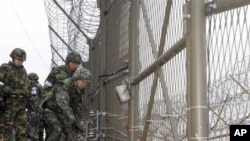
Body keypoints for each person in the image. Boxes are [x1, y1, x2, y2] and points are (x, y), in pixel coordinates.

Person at [39, 51, 82, 140]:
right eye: (73, 63)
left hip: (66, 110)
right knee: (55, 131)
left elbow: (77, 96)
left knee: (66, 134)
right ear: (68, 61)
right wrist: (44, 102)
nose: (75, 65)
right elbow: (47, 87)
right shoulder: (57, 71)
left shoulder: (78, 75)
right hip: (52, 108)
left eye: (77, 64)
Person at [0, 48, 30, 141]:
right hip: (9, 103)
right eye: (19, 60)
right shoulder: (5, 68)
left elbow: (27, 86)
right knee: (6, 129)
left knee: (22, 130)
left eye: (22, 60)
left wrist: (28, 100)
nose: (21, 62)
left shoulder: (23, 71)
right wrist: (0, 100)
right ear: (13, 58)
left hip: (21, 103)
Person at [26, 73, 43, 141]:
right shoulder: (39, 86)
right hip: (37, 110)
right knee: (38, 130)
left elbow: (34, 99)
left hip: (33, 110)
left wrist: (34, 110)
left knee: (33, 130)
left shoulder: (34, 87)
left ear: (32, 79)